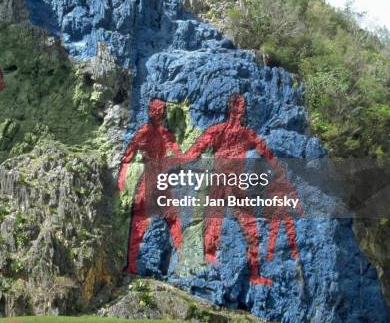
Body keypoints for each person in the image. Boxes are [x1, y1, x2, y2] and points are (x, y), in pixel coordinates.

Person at [184, 93, 301, 285]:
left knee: (251, 228)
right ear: (230, 108)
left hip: (237, 185)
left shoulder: (247, 134)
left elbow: (268, 155)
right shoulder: (217, 131)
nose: (239, 110)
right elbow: (194, 152)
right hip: (219, 182)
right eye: (236, 106)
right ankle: (208, 259)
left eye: (242, 106)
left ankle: (254, 274)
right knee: (214, 221)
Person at [118, 99, 183, 274]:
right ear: (149, 111)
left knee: (173, 218)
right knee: (139, 222)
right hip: (148, 179)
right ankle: (132, 265)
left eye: (161, 110)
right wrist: (121, 179)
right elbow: (128, 155)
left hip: (161, 179)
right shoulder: (144, 131)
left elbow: (178, 155)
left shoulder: (165, 134)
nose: (158, 113)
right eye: (155, 109)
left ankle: (184, 260)